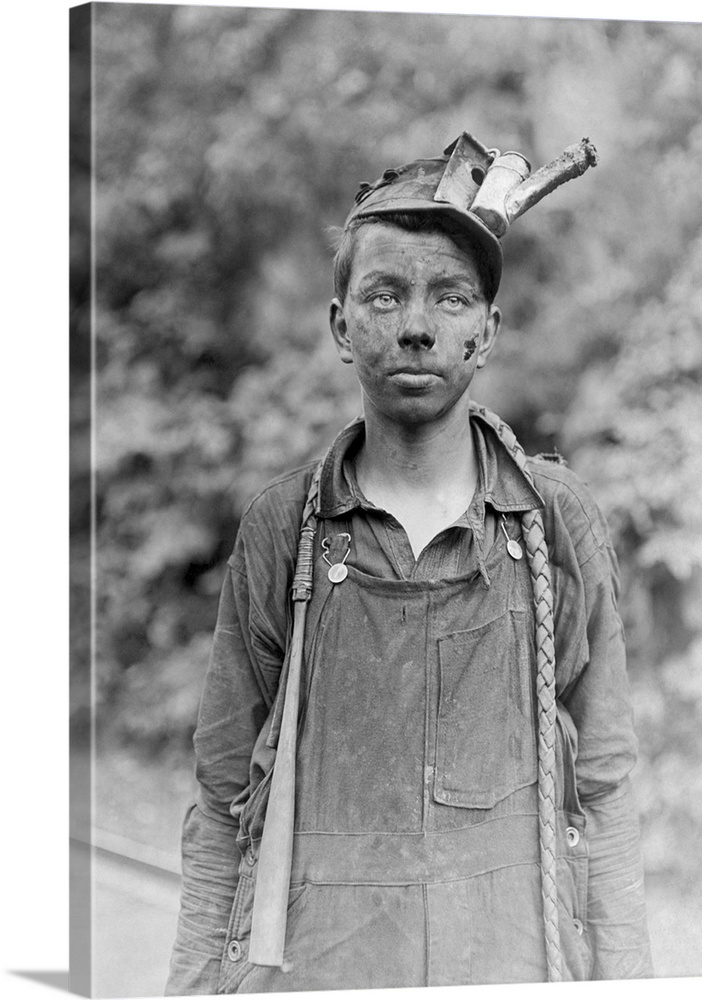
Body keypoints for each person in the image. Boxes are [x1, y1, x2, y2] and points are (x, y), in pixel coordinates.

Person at [165, 132, 654, 994]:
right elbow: (221, 802)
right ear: (340, 326)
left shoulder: (551, 522)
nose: (418, 327)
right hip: (320, 970)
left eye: (451, 297)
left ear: (487, 331)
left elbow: (605, 793)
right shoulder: (286, 529)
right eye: (384, 296)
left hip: (511, 965)